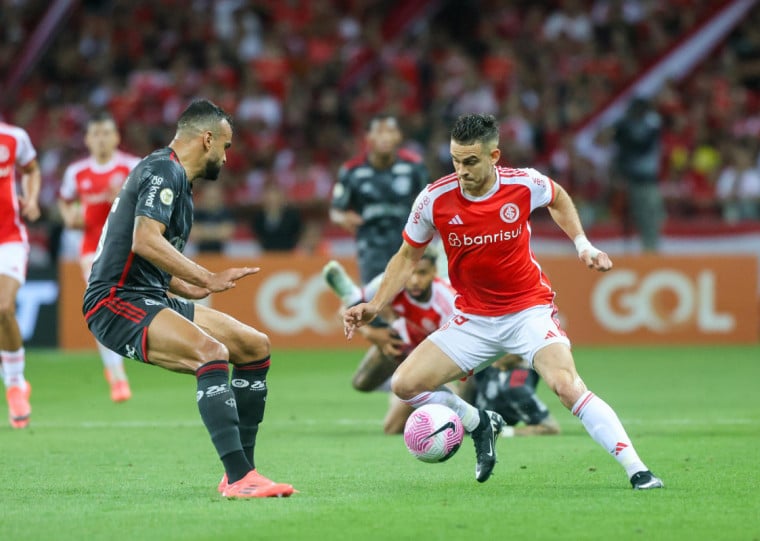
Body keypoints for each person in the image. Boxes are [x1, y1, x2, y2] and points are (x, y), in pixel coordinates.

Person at [344, 113, 663, 490]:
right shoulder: (433, 199)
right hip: (473, 320)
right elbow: (406, 257)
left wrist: (582, 244)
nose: (461, 170)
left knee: (566, 385)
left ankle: (637, 469)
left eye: (471, 161)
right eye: (455, 160)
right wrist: (377, 305)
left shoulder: (522, 183)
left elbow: (557, 197)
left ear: (494, 155)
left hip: (527, 311)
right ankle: (481, 423)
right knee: (405, 384)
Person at [82, 99, 295, 498]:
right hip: (114, 301)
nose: (227, 158)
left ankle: (243, 472)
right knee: (210, 352)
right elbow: (144, 240)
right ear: (208, 138)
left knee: (253, 346)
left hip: (149, 295)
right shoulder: (164, 170)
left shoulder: (178, 181)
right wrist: (206, 277)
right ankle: (238, 478)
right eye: (227, 147)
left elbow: (148, 257)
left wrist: (184, 285)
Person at [324, 248, 558, 437]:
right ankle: (399, 384)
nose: (415, 280)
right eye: (411, 273)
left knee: (392, 429)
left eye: (422, 273)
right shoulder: (388, 284)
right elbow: (347, 312)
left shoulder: (448, 299)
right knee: (361, 383)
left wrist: (464, 412)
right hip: (404, 345)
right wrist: (373, 335)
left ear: (434, 272)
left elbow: (465, 354)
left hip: (436, 358)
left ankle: (408, 390)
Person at [59, 111, 140, 402]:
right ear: (87, 140)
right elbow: (65, 199)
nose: (101, 139)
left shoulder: (133, 167)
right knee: (101, 307)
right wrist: (70, 217)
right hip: (93, 247)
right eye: (96, 134)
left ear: (116, 137)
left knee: (136, 302)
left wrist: (126, 197)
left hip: (131, 246)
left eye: (106, 133)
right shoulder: (77, 172)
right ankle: (116, 374)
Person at [330, 114, 430, 285]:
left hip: (408, 243)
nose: (385, 137)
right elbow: (335, 211)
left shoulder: (414, 166)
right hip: (371, 247)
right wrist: (343, 218)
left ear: (399, 136)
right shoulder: (351, 171)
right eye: (379, 132)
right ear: (368, 137)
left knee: (411, 297)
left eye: (390, 131)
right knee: (374, 298)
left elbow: (430, 202)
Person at [0, 119, 41, 429]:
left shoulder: (15, 137)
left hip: (9, 239)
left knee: (3, 307)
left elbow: (31, 169)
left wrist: (32, 197)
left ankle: (15, 383)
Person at [612, 97, 665, 252]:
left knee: (653, 216)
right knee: (638, 218)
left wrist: (627, 137)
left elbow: (642, 146)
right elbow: (620, 139)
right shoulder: (628, 126)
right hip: (633, 181)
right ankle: (643, 249)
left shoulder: (651, 127)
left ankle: (652, 248)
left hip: (649, 181)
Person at [191, 183, 236, 253]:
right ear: (203, 197)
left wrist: (203, 232)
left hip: (221, 254)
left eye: (214, 198)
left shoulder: (226, 213)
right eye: (209, 197)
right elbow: (194, 233)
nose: (212, 200)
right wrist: (217, 232)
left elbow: (226, 234)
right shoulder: (197, 212)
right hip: (199, 254)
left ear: (220, 198)